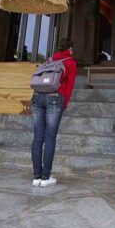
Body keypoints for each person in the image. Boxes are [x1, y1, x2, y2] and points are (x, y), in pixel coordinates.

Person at [31, 38, 77, 187]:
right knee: (50, 137)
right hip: (55, 99)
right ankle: (46, 178)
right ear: (70, 49)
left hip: (37, 97)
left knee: (38, 137)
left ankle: (36, 177)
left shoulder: (49, 60)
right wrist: (64, 104)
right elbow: (69, 87)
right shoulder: (70, 62)